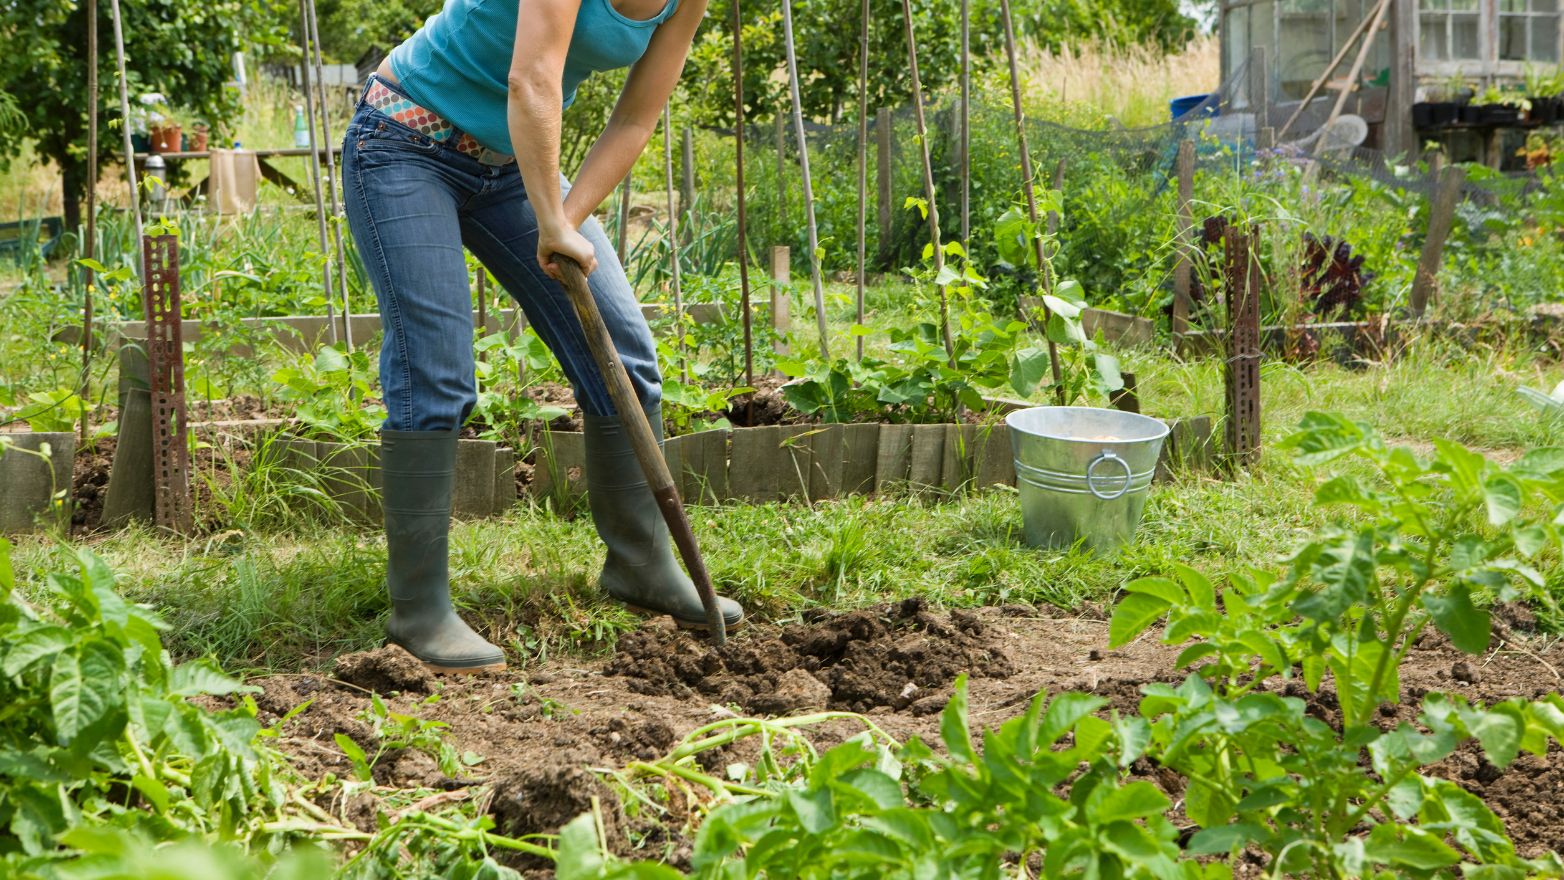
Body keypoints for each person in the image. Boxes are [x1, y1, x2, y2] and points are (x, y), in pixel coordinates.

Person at [342, 0, 744, 675]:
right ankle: (419, 610)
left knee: (622, 353)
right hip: (404, 142)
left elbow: (636, 117)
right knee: (437, 375)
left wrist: (566, 219)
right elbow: (530, 79)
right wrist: (552, 216)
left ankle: (640, 565)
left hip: (511, 164)